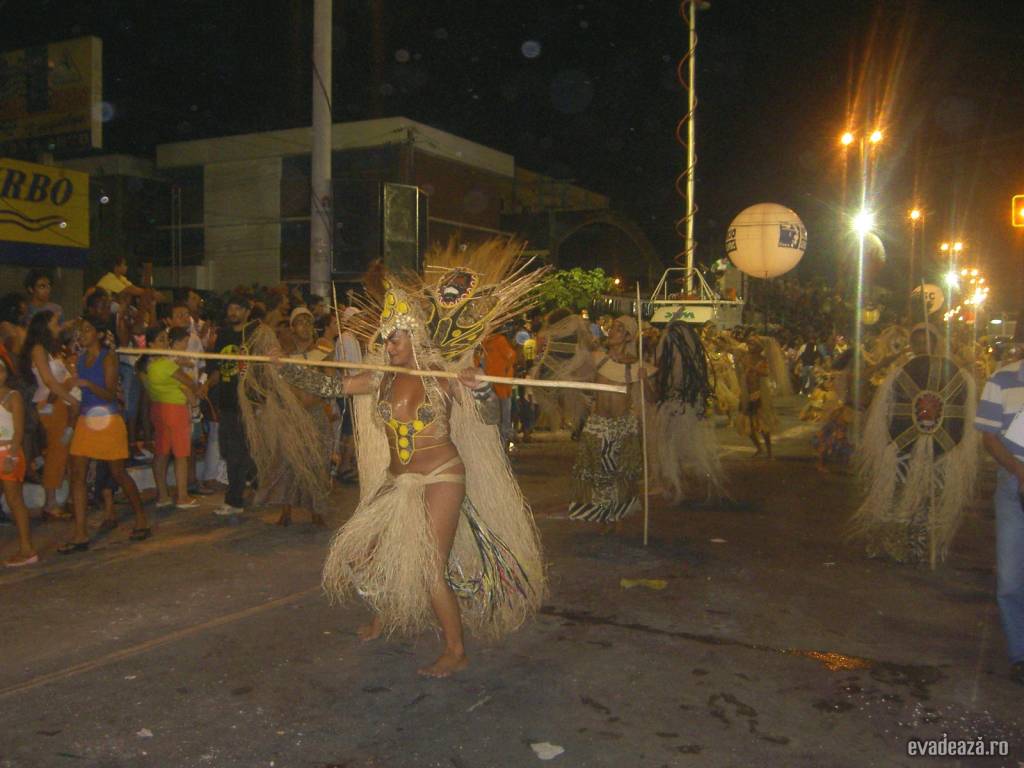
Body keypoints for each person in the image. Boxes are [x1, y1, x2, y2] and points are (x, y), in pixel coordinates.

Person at [280, 242, 546, 677]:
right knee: (365, 553)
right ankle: (388, 613)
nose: (389, 344)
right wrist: (285, 366)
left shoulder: (441, 377)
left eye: (396, 336)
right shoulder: (379, 378)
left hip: (440, 476)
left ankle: (455, 650)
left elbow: (488, 416)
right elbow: (329, 388)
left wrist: (479, 389)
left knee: (428, 568)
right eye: (386, 337)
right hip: (396, 478)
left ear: (415, 336)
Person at [61, 317, 151, 553]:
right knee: (77, 475)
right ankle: (80, 533)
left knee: (118, 473)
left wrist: (86, 384)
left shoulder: (108, 357)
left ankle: (141, 517)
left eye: (88, 330)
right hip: (86, 418)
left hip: (108, 419)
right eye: (80, 331)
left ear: (100, 334)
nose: (82, 334)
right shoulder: (80, 360)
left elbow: (111, 394)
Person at [245, 306, 333, 528]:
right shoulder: (283, 355)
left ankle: (317, 511)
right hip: (291, 416)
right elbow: (275, 383)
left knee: (317, 463)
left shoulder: (323, 351)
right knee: (288, 463)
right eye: (300, 322)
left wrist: (326, 403)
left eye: (309, 322)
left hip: (315, 414)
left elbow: (331, 383)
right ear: (292, 328)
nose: (306, 326)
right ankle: (286, 511)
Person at [974, 323, 1024, 686]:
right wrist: (1019, 470)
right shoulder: (1002, 381)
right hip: (1013, 485)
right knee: (1009, 579)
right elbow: (989, 436)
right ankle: (1020, 652)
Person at [568, 316, 653, 525]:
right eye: (613, 327)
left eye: (619, 329)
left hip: (623, 426)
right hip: (598, 424)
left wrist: (644, 379)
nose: (612, 331)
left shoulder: (635, 365)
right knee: (596, 471)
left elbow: (651, 398)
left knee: (620, 474)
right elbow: (577, 378)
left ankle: (616, 516)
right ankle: (601, 516)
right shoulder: (598, 358)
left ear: (627, 337)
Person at [19, 311, 79, 518]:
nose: (58, 326)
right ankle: (51, 502)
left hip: (60, 402)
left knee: (66, 449)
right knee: (58, 449)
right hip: (51, 404)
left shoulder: (50, 349)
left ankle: (68, 497)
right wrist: (72, 400)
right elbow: (49, 381)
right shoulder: (38, 349)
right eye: (54, 323)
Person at [203, 296, 259, 517]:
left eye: (237, 307)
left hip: (246, 401)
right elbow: (218, 367)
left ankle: (234, 499)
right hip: (226, 399)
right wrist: (206, 384)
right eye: (230, 308)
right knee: (228, 450)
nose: (233, 312)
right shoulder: (224, 335)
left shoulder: (254, 335)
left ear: (247, 311)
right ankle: (258, 479)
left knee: (237, 452)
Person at [141, 327, 200, 509]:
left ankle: (163, 495)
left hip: (158, 408)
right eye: (161, 340)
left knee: (161, 453)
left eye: (166, 339)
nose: (165, 343)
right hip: (174, 409)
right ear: (150, 344)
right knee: (181, 454)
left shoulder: (146, 366)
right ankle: (182, 496)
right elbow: (190, 383)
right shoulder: (166, 365)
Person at [0, 357, 38, 566]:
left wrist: (12, 456)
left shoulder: (12, 396)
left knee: (15, 501)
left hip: (7, 453)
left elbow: (19, 431)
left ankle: (27, 548)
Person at [482, 328, 517, 450]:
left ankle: (500, 445)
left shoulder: (487, 341)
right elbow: (511, 356)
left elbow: (511, 356)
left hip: (493, 384)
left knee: (497, 416)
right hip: (499, 385)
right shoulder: (495, 340)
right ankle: (502, 446)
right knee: (503, 417)